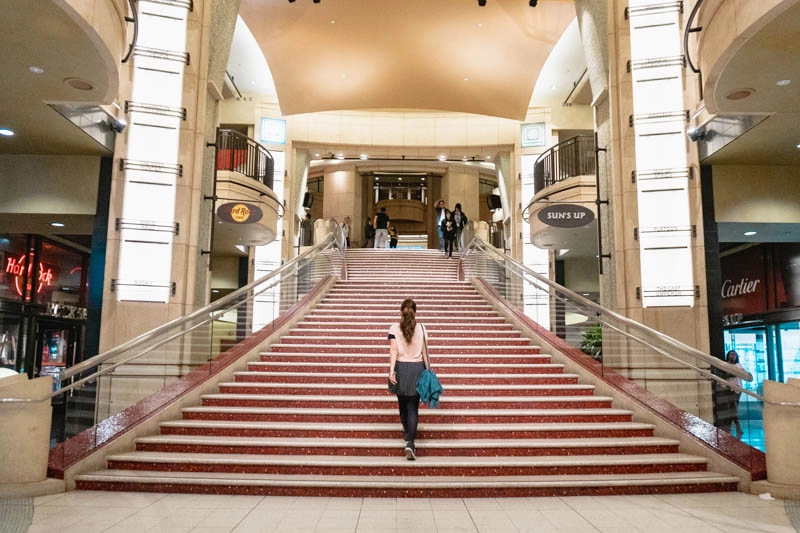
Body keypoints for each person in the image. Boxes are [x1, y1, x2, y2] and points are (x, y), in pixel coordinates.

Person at [388, 298, 428, 460]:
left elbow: (393, 351)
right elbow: (425, 352)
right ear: (415, 312)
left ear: (401, 311)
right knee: (413, 407)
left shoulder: (394, 328)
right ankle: (410, 442)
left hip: (401, 368)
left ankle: (408, 434)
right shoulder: (422, 328)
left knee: (402, 405)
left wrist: (391, 371)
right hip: (417, 368)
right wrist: (428, 371)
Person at [726, 350, 745, 439]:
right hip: (728, 388)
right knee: (732, 409)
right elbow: (725, 374)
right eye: (732, 354)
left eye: (735, 354)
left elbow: (744, 374)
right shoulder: (725, 364)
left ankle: (732, 427)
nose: (733, 356)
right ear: (728, 355)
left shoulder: (739, 365)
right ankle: (736, 427)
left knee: (734, 408)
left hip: (738, 388)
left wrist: (734, 373)